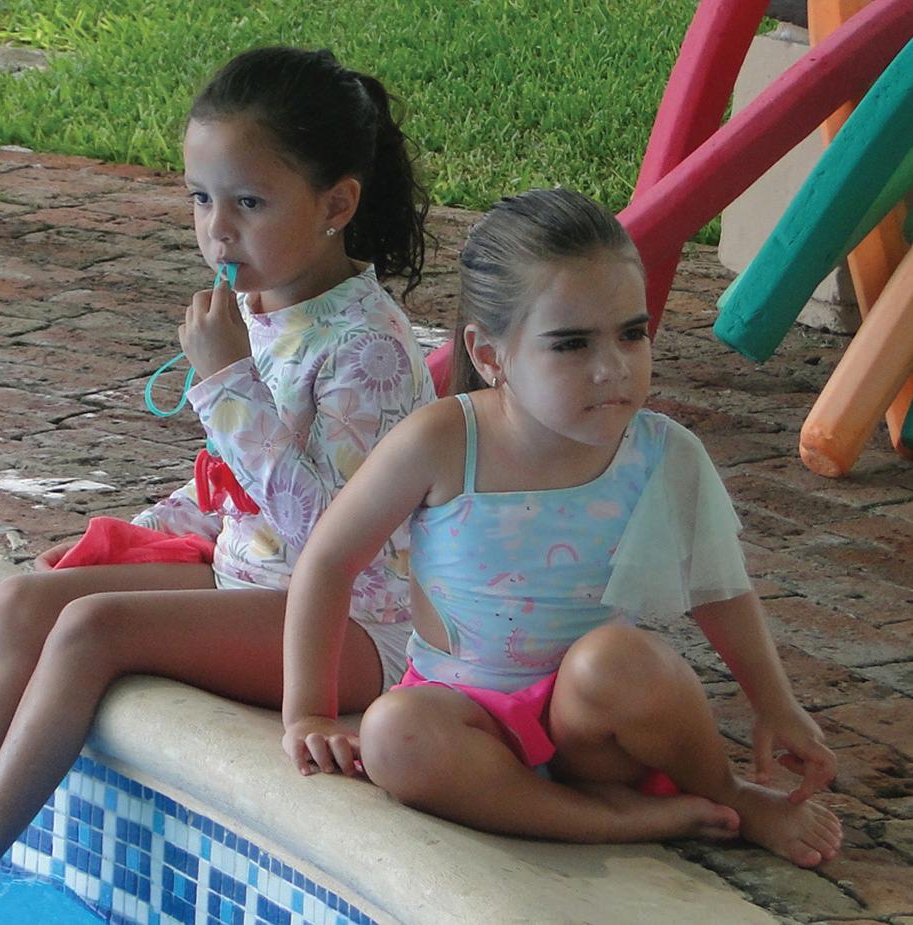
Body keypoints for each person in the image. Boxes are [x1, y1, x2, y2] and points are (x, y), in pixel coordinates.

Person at [0, 46, 436, 923]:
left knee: (93, 628)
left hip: (354, 626)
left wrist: (227, 385)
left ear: (336, 205)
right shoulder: (266, 307)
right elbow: (231, 489)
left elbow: (340, 541)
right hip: (253, 583)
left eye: (249, 203)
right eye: (200, 199)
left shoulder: (364, 347)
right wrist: (137, 533)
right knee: (27, 600)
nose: (218, 231)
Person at [281, 187, 843, 869]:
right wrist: (308, 711)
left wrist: (776, 705)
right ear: (490, 355)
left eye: (631, 333)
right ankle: (609, 819)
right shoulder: (443, 440)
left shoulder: (661, 452)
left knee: (618, 659)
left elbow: (718, 588)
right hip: (463, 717)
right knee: (392, 734)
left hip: (595, 729)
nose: (612, 367)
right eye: (572, 344)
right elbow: (329, 560)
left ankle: (728, 795)